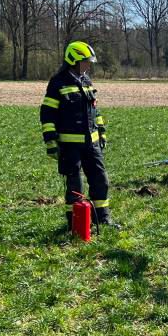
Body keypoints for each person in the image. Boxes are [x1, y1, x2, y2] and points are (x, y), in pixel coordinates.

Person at [39, 41, 119, 230]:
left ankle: (103, 219)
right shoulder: (58, 82)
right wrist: (50, 141)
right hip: (69, 146)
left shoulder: (86, 81)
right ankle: (77, 224)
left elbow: (95, 111)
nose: (89, 65)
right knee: (75, 187)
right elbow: (47, 113)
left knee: (101, 180)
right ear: (73, 60)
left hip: (92, 145)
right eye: (86, 61)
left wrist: (102, 132)